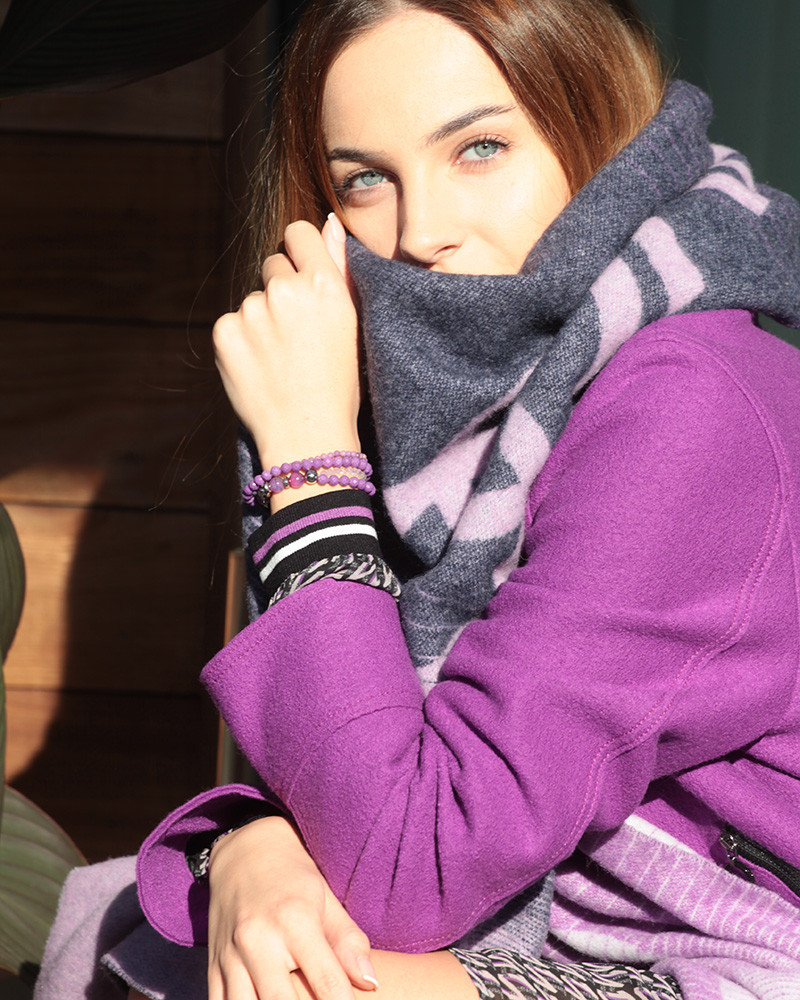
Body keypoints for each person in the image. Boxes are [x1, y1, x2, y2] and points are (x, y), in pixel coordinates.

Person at [35, 1, 800, 999]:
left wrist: (307, 475)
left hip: (735, 954)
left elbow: (412, 868)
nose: (419, 233)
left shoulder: (692, 403)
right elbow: (346, 767)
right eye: (364, 179)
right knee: (226, 947)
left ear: (599, 128)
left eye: (479, 148)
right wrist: (250, 848)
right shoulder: (439, 404)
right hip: (541, 918)